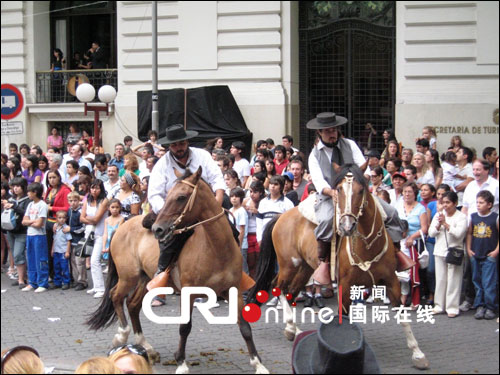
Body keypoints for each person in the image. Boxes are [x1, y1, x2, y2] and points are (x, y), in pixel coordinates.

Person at [146, 124, 225, 289]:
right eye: (174, 145)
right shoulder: (162, 164)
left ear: (187, 142)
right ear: (169, 146)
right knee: (170, 240)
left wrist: (217, 201)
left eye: (181, 143)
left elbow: (217, 178)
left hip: (204, 207)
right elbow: (154, 194)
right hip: (174, 211)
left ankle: (233, 269)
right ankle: (161, 274)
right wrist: (168, 213)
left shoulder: (202, 155)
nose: (178, 147)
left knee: (230, 230)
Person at [306, 112, 367, 284]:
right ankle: (323, 261)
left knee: (389, 212)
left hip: (354, 192)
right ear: (319, 133)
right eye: (327, 131)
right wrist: (332, 193)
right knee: (327, 219)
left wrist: (365, 178)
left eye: (334, 129)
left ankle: (396, 253)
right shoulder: (314, 155)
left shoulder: (350, 144)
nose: (332, 133)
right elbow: (318, 181)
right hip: (330, 195)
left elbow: (363, 165)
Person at [428, 191, 467, 318]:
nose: (445, 205)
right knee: (440, 279)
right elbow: (431, 233)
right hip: (439, 251)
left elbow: (458, 234)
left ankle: (452, 307)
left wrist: (445, 223)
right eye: (443, 202)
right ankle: (439, 305)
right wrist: (439, 224)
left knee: (453, 280)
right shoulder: (438, 215)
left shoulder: (461, 217)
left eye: (448, 202)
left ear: (455, 203)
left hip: (454, 251)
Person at [467, 190, 498, 320]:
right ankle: (480, 305)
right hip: (476, 254)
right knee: (477, 281)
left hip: (489, 255)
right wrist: (469, 249)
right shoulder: (473, 216)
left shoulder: (495, 217)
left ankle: (490, 306)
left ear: (489, 204)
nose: (478, 205)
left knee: (489, 282)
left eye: (481, 202)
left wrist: (496, 252)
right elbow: (469, 233)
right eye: (477, 202)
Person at [396, 182, 429, 308]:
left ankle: (415, 299)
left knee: (412, 271)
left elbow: (424, 228)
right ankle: (402, 299)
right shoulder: (398, 206)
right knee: (401, 272)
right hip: (400, 241)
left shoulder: (420, 208)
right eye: (405, 192)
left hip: (414, 244)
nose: (407, 194)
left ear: (415, 193)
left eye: (410, 192)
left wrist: (412, 237)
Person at [80, 179, 109, 298]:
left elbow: (97, 219)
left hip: (101, 234)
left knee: (95, 261)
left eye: (97, 188)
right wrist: (89, 219)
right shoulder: (87, 200)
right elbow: (81, 218)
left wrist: (88, 218)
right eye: (92, 188)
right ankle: (96, 286)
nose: (94, 190)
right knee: (91, 260)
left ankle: (101, 288)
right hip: (89, 234)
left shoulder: (104, 201)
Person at [21, 183, 49, 292]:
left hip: (39, 236)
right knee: (31, 258)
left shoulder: (42, 205)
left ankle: (42, 282)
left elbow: (40, 224)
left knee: (40, 259)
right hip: (30, 235)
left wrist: (30, 222)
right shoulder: (30, 204)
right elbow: (24, 221)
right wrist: (33, 221)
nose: (28, 194)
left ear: (35, 192)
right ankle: (32, 282)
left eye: (29, 191)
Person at [3, 177, 30, 288]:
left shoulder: (28, 200)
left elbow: (26, 213)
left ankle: (21, 280)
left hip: (22, 231)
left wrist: (14, 206)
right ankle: (21, 276)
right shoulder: (11, 199)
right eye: (14, 186)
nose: (15, 188)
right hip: (11, 230)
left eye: (18, 186)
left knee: (19, 254)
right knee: (15, 254)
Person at [243, 181, 265, 279]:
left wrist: (257, 212)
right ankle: (252, 283)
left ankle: (260, 282)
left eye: (255, 192)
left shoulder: (265, 202)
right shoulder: (245, 201)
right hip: (249, 234)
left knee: (259, 260)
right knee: (250, 262)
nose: (252, 194)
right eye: (251, 191)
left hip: (259, 234)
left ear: (260, 192)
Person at [67, 191, 87, 291]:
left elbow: (83, 227)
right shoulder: (69, 211)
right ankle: (76, 279)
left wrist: (71, 229)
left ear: (79, 201)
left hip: (80, 240)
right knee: (73, 261)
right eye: (70, 201)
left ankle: (82, 281)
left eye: (75, 200)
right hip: (71, 240)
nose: (73, 203)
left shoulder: (80, 212)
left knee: (80, 261)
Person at [229, 187, 249, 274]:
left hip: (241, 244)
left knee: (243, 267)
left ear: (241, 198)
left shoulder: (241, 211)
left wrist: (239, 245)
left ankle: (248, 287)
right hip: (232, 243)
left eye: (236, 196)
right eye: (232, 196)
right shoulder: (230, 210)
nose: (234, 198)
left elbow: (242, 230)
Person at [51, 210, 71, 290]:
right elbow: (54, 239)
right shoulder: (55, 228)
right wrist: (52, 249)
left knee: (64, 267)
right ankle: (57, 282)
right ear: (56, 219)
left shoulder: (66, 228)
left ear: (66, 219)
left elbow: (69, 240)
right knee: (56, 267)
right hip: (56, 250)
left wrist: (67, 251)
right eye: (59, 218)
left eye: (63, 218)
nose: (61, 219)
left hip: (63, 251)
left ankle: (66, 282)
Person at [102, 198, 125, 263]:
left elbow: (117, 234)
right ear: (109, 208)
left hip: (116, 243)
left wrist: (110, 247)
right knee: (108, 262)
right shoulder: (107, 220)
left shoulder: (121, 219)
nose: (115, 209)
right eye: (112, 207)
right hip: (108, 243)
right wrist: (103, 246)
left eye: (117, 207)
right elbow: (105, 234)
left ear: (120, 208)